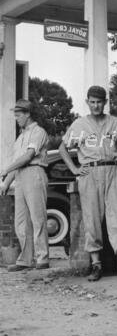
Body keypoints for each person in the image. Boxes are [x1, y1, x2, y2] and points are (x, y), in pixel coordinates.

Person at [58, 86, 117, 282]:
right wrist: (74, 169)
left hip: (112, 171)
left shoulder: (114, 122)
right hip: (90, 171)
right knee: (92, 219)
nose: (96, 105)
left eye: (99, 102)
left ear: (105, 102)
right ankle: (96, 265)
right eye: (92, 102)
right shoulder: (79, 124)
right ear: (87, 102)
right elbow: (63, 148)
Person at [0, 99, 50, 271]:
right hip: (20, 176)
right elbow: (17, 162)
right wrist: (6, 182)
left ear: (28, 114)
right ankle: (25, 259)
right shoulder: (20, 137)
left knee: (38, 217)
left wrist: (6, 169)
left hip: (35, 172)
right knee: (21, 221)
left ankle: (42, 258)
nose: (16, 118)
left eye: (18, 114)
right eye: (15, 115)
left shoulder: (38, 132)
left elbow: (28, 157)